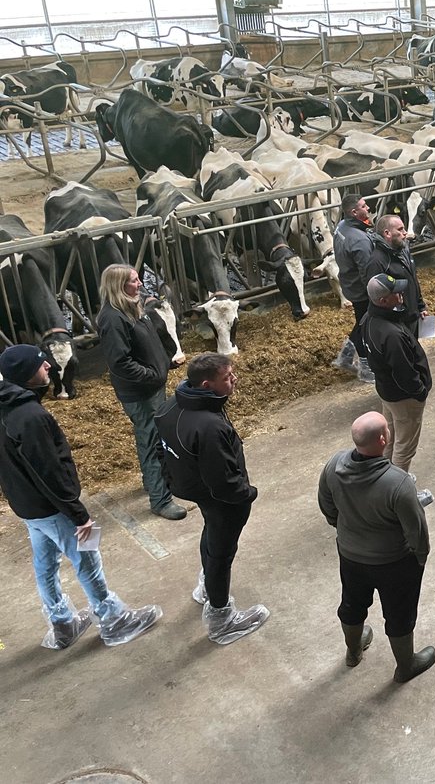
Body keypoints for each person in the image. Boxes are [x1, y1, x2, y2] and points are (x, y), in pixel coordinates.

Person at [0, 344, 162, 650]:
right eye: (40, 363)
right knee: (88, 557)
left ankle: (61, 623)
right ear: (23, 374)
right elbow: (49, 472)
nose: (48, 365)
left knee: (45, 565)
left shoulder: (7, 408)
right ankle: (113, 619)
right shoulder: (30, 417)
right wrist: (79, 515)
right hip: (54, 508)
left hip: (29, 509)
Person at [155, 352, 270, 645]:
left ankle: (207, 587)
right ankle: (221, 618)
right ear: (206, 384)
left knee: (211, 534)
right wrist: (248, 494)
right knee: (221, 552)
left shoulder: (171, 406)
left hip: (195, 489)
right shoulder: (209, 426)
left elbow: (159, 451)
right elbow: (224, 483)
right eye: (227, 378)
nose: (235, 380)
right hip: (221, 499)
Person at [317, 411, 435, 682]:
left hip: (350, 554)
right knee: (399, 612)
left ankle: (353, 650)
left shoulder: (334, 464)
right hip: (393, 561)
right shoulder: (398, 482)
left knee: (352, 602)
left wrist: (345, 529)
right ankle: (405, 666)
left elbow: (326, 503)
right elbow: (416, 530)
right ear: (383, 439)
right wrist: (420, 557)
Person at [96, 263, 186, 521]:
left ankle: (152, 482)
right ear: (118, 286)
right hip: (141, 393)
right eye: (134, 281)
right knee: (153, 441)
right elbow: (120, 362)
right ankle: (160, 499)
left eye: (138, 280)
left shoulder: (130, 308)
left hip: (151, 386)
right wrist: (151, 375)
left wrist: (162, 362)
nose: (140, 285)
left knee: (151, 436)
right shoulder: (112, 318)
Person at [360, 273, 433, 471]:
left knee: (389, 440)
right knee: (405, 447)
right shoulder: (391, 334)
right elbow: (404, 372)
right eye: (395, 293)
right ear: (383, 301)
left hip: (387, 392)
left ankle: (383, 478)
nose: (401, 295)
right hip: (404, 398)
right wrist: (419, 392)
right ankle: (399, 491)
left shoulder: (368, 319)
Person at [331, 192, 376, 382]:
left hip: (349, 283)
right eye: (364, 206)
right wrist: (375, 293)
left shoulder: (341, 227)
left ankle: (346, 357)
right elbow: (367, 271)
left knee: (361, 322)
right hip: (361, 289)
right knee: (366, 327)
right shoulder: (359, 240)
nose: (368, 209)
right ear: (354, 212)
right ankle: (366, 369)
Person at [365, 214, 427, 341]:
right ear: (387, 233)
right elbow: (377, 298)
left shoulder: (404, 251)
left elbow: (413, 279)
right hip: (398, 324)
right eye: (400, 229)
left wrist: (420, 306)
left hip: (412, 317)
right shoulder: (377, 261)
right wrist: (393, 324)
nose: (405, 233)